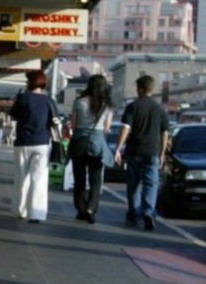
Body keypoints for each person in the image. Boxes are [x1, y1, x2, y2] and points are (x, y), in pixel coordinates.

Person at [111, 74, 170, 230]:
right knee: (151, 184)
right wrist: (162, 153)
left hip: (135, 151)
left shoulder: (133, 106)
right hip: (153, 152)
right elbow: (165, 133)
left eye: (137, 88)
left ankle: (134, 214)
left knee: (134, 185)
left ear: (141, 89)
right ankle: (149, 212)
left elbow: (125, 128)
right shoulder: (159, 109)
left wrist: (118, 148)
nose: (137, 91)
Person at [68, 73, 117, 223]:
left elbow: (74, 125)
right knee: (96, 179)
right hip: (97, 144)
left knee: (79, 178)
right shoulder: (107, 105)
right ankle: (91, 208)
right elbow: (107, 128)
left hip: (79, 143)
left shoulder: (79, 102)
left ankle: (81, 208)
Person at [11, 68, 58, 221]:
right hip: (42, 143)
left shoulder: (23, 98)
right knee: (39, 179)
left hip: (23, 142)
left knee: (21, 178)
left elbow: (13, 115)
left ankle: (20, 210)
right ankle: (36, 214)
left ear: (30, 83)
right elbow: (55, 122)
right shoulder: (49, 100)